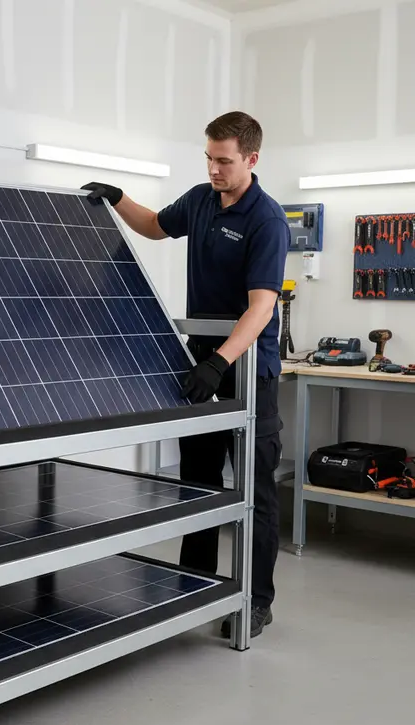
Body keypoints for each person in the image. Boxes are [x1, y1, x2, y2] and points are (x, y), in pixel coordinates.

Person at [83, 110, 289, 639]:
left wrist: (222, 360)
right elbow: (154, 226)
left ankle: (255, 600)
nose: (214, 169)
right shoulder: (200, 199)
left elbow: (262, 308)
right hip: (201, 365)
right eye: (209, 159)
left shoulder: (266, 220)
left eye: (224, 161)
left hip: (248, 373)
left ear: (251, 159)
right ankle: (194, 585)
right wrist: (118, 196)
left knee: (254, 493)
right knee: (197, 485)